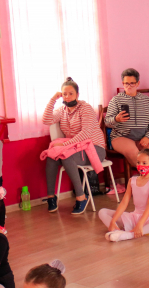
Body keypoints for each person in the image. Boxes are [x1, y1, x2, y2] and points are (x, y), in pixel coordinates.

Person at [38, 78, 106, 215]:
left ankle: (81, 196)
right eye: (65, 94)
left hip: (94, 148)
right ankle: (51, 196)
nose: (67, 97)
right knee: (51, 156)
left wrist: (64, 144)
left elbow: (86, 134)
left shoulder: (85, 108)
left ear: (77, 95)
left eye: (71, 93)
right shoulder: (62, 110)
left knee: (66, 156)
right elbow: (46, 120)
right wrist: (52, 99)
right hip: (75, 148)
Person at [98, 149, 149, 241]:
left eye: (144, 163)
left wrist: (140, 223)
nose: (141, 165)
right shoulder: (132, 180)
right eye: (138, 162)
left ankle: (129, 235)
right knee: (102, 212)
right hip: (134, 217)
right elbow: (124, 203)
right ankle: (116, 230)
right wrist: (113, 221)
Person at [105, 69, 149, 177]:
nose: (129, 86)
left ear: (138, 83)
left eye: (132, 83)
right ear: (123, 83)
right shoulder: (116, 100)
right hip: (121, 137)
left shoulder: (146, 100)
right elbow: (107, 122)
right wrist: (116, 119)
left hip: (143, 136)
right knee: (134, 153)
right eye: (126, 83)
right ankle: (148, 179)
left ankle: (147, 178)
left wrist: (148, 137)